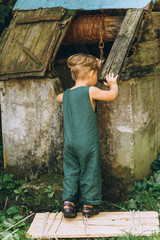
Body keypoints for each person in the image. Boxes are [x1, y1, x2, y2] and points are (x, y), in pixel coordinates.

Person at [56, 53, 118, 218]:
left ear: (72, 75)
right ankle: (88, 206)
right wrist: (113, 84)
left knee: (71, 171)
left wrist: (66, 96)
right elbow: (111, 96)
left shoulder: (67, 95)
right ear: (91, 74)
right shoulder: (91, 91)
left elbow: (58, 98)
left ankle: (68, 205)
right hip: (87, 144)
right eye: (96, 74)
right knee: (89, 170)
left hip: (70, 144)